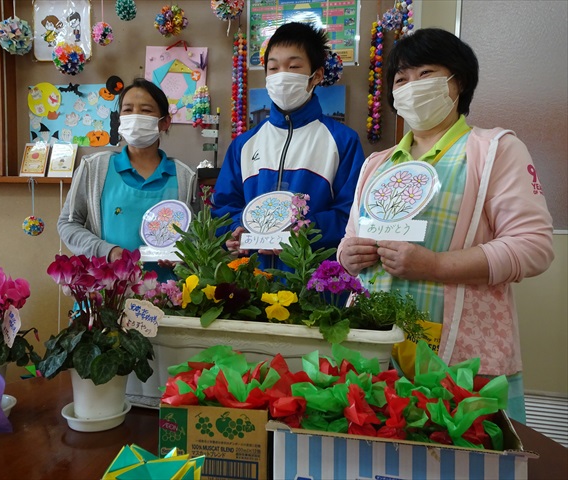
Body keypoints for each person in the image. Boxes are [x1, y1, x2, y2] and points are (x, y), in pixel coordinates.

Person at [337, 28, 554, 424]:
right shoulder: (377, 164)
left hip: (460, 355)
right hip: (377, 350)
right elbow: (351, 238)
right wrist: (348, 255)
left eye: (426, 74)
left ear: (459, 81)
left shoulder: (494, 151)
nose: (412, 86)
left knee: (453, 445)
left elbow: (533, 247)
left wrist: (435, 265)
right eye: (401, 79)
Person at [212, 22, 365, 270]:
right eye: (273, 68)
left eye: (293, 67)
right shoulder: (243, 144)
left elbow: (351, 214)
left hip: (312, 280)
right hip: (252, 280)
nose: (281, 75)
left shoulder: (343, 141)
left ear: (316, 75)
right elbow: (223, 207)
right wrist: (235, 228)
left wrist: (305, 230)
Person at [58, 78, 197, 280]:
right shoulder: (95, 168)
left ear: (165, 122)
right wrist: (107, 251)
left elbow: (197, 236)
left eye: (146, 110)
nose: (135, 117)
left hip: (167, 291)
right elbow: (68, 224)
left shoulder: (185, 177)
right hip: (109, 289)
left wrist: (184, 254)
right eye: (128, 110)